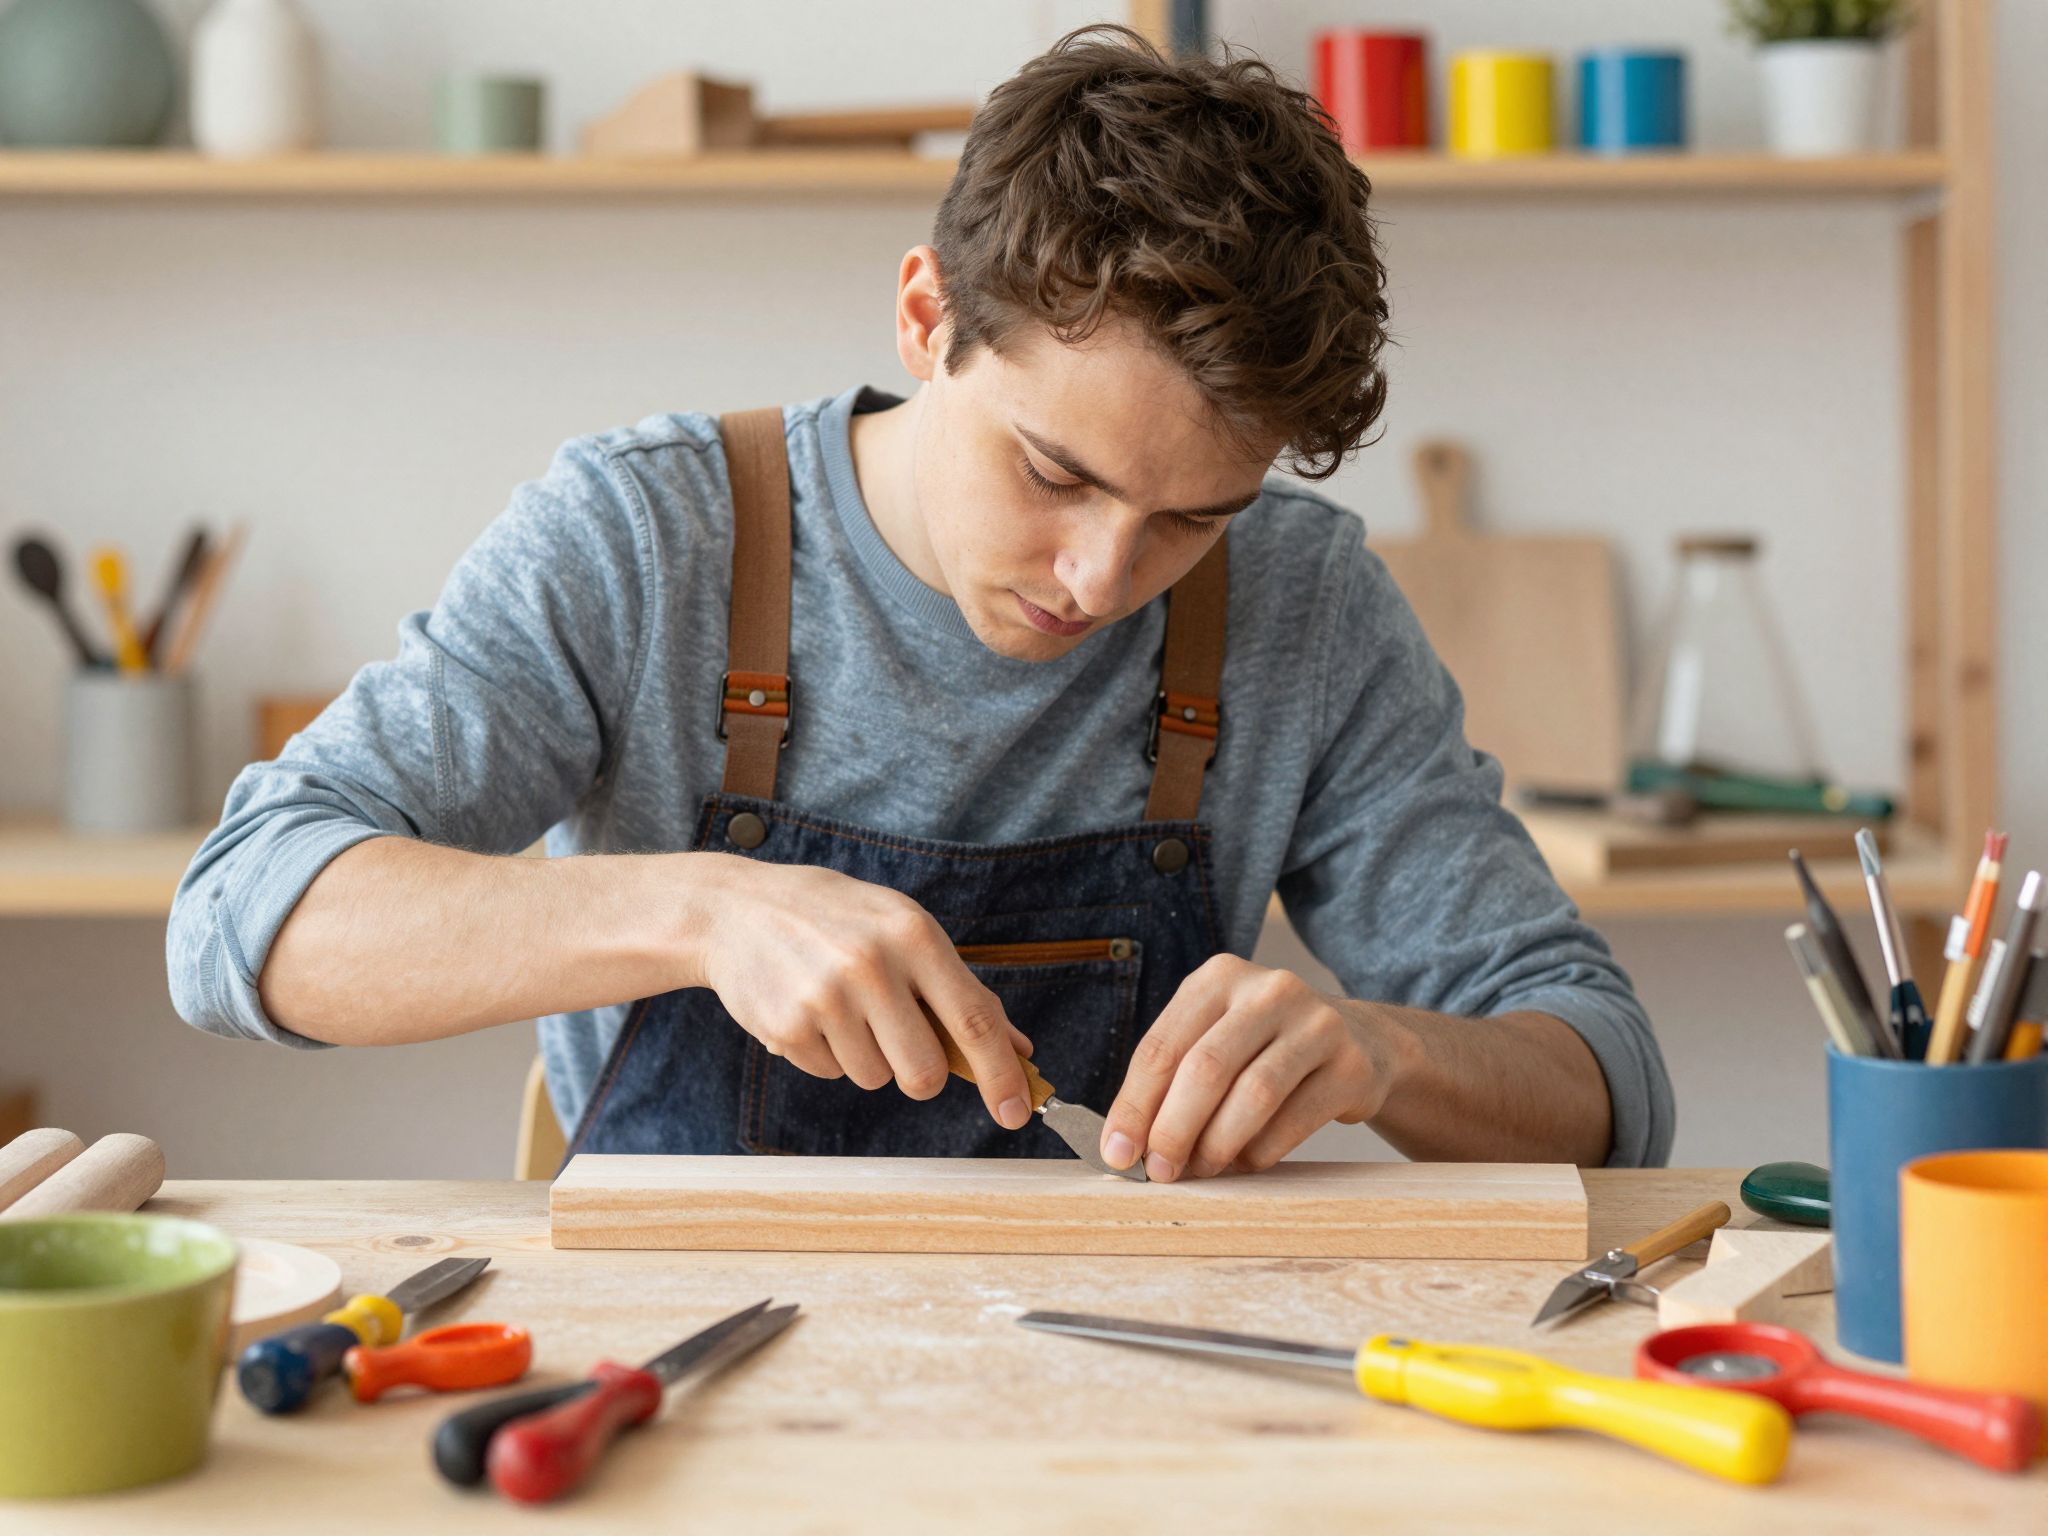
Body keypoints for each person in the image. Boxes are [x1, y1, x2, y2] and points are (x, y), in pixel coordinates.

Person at [167, 28, 1673, 1179]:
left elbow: (1607, 1082)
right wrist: (694, 908)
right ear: (926, 316)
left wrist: (1383, 1053)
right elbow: (241, 917)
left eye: (1188, 522)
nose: (1100, 579)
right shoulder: (652, 537)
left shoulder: (1300, 597)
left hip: (1118, 1361)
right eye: (1054, 472)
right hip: (685, 1356)